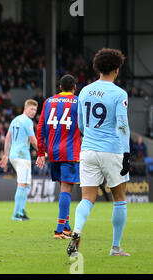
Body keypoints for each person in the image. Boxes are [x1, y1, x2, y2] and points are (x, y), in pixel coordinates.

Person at [67, 48, 131, 257]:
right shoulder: (119, 93)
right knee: (119, 199)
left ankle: (76, 231)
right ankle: (115, 247)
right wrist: (127, 154)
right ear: (115, 69)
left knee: (86, 198)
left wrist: (91, 135)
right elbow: (122, 126)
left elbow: (81, 124)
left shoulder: (84, 91)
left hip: (88, 149)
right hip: (112, 150)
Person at [36, 74, 81, 239]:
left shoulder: (48, 102)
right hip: (70, 151)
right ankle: (59, 230)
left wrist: (41, 152)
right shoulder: (78, 102)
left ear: (60, 87)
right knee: (67, 188)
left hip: (53, 151)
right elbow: (84, 126)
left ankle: (67, 227)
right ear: (75, 87)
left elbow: (40, 127)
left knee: (63, 187)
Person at [0, 99, 38, 221]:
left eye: (35, 110)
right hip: (22, 156)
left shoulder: (15, 119)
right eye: (31, 109)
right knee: (22, 184)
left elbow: (7, 138)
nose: (33, 112)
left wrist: (6, 155)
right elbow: (33, 140)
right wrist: (42, 152)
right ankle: (16, 214)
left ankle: (21, 211)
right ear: (25, 108)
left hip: (13, 155)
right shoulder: (27, 121)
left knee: (26, 185)